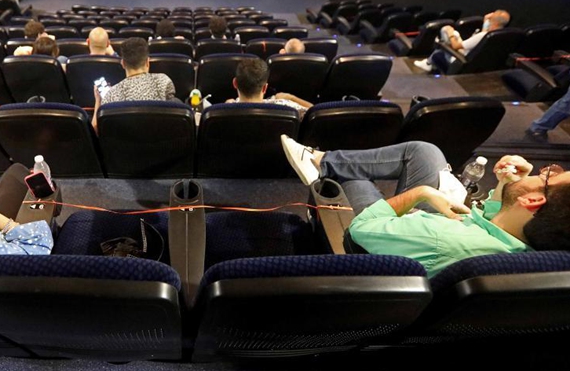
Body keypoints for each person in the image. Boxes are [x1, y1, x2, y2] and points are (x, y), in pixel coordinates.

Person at [280, 135, 570, 277]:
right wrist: (508, 187)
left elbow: (360, 230)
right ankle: (323, 159)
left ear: (533, 200)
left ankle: (324, 166)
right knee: (423, 151)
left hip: (377, 241)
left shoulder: (437, 237)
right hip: (459, 229)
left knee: (354, 178)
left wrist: (421, 193)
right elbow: (502, 222)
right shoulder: (543, 248)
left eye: (549, 176)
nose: (543, 171)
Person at [91, 37, 176, 130]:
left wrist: (98, 101)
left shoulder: (110, 96)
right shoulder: (164, 82)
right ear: (148, 62)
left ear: (123, 63)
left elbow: (95, 130)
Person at [414, 10, 510, 72]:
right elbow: (485, 31)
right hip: (475, 60)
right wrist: (486, 19)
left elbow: (456, 46)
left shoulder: (482, 36)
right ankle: (429, 61)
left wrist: (450, 33)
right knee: (452, 33)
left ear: (493, 20)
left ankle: (429, 62)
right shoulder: (500, 34)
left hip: (460, 60)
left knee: (445, 33)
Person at [226, 58, 312, 118]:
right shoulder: (285, 107)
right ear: (265, 88)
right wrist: (291, 97)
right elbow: (317, 112)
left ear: (235, 83)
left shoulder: (223, 111)